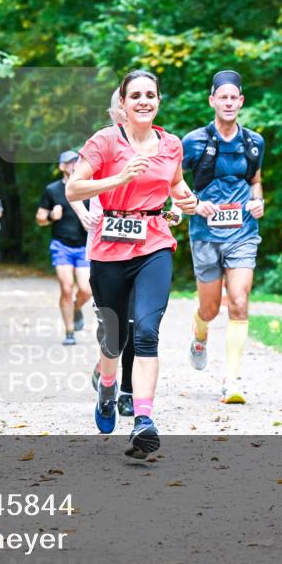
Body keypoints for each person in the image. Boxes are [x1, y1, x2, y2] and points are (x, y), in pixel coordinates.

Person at [66, 69, 198, 459]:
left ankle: (144, 420)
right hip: (108, 251)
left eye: (150, 95)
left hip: (154, 244)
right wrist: (117, 179)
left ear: (158, 101)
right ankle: (107, 389)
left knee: (146, 332)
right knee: (113, 340)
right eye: (135, 95)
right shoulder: (105, 141)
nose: (143, 101)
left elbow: (175, 185)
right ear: (122, 104)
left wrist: (185, 201)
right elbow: (75, 187)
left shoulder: (171, 144)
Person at [181, 70, 266, 405]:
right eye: (223, 97)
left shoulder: (254, 142)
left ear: (241, 101)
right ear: (212, 100)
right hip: (205, 234)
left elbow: (256, 179)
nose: (229, 102)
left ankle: (231, 380)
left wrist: (258, 200)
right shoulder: (193, 141)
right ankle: (199, 335)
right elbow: (174, 181)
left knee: (240, 303)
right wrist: (195, 204)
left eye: (235, 97)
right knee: (210, 308)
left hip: (243, 232)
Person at [37, 150, 93, 346]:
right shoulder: (52, 190)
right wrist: (52, 216)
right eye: (69, 162)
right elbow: (40, 219)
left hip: (84, 246)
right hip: (61, 245)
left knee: (86, 290)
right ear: (62, 166)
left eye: (77, 161)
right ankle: (70, 332)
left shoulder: (88, 188)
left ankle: (77, 308)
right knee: (67, 287)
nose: (74, 165)